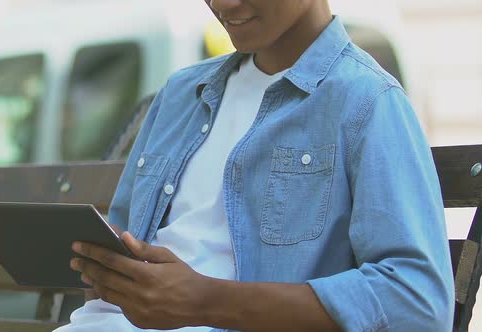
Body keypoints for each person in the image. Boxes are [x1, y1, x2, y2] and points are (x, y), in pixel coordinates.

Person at [56, 0, 454, 331]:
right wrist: (105, 272)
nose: (224, 4)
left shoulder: (366, 100)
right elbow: (121, 249)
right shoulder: (180, 94)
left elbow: (417, 301)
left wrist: (206, 301)